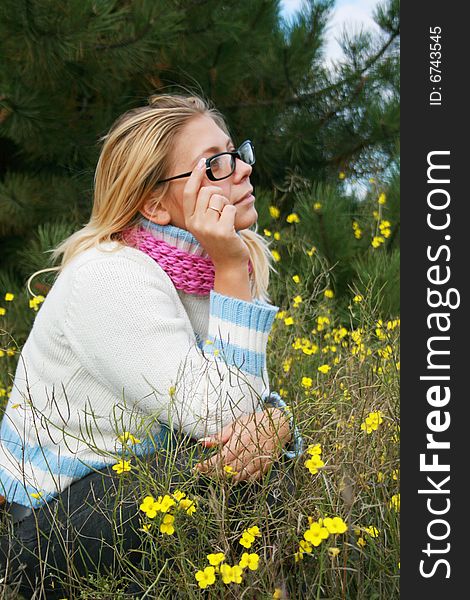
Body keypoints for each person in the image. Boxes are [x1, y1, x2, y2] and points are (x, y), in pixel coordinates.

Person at [0, 93, 302, 598]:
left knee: (267, 466)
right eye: (216, 164)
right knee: (236, 481)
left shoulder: (208, 272)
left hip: (128, 487)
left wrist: (277, 422)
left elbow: (247, 404)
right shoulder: (110, 276)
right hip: (45, 520)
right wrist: (230, 268)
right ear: (155, 203)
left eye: (237, 152)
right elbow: (222, 413)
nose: (244, 170)